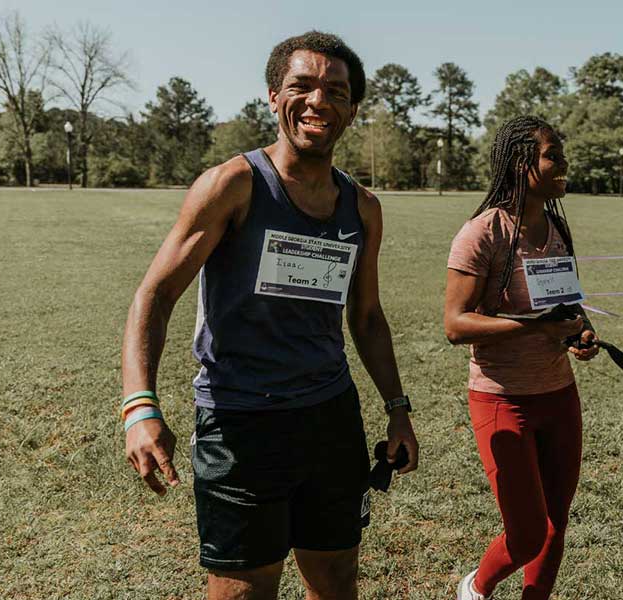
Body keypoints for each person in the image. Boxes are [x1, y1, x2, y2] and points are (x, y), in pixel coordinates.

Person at [119, 31, 418, 600]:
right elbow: (154, 296)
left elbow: (368, 317)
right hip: (240, 424)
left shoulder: (363, 208)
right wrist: (139, 405)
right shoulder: (233, 185)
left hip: (331, 419)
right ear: (273, 98)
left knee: (334, 581)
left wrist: (397, 410)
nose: (317, 101)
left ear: (352, 109)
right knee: (242, 589)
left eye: (335, 91)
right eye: (300, 86)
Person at [443, 116, 598, 600]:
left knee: (556, 525)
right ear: (520, 163)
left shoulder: (556, 227)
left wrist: (581, 333)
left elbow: (566, 306)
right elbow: (455, 324)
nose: (563, 163)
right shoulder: (482, 232)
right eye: (552, 155)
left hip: (559, 393)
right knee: (528, 531)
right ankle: (478, 588)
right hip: (502, 398)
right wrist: (533, 326)